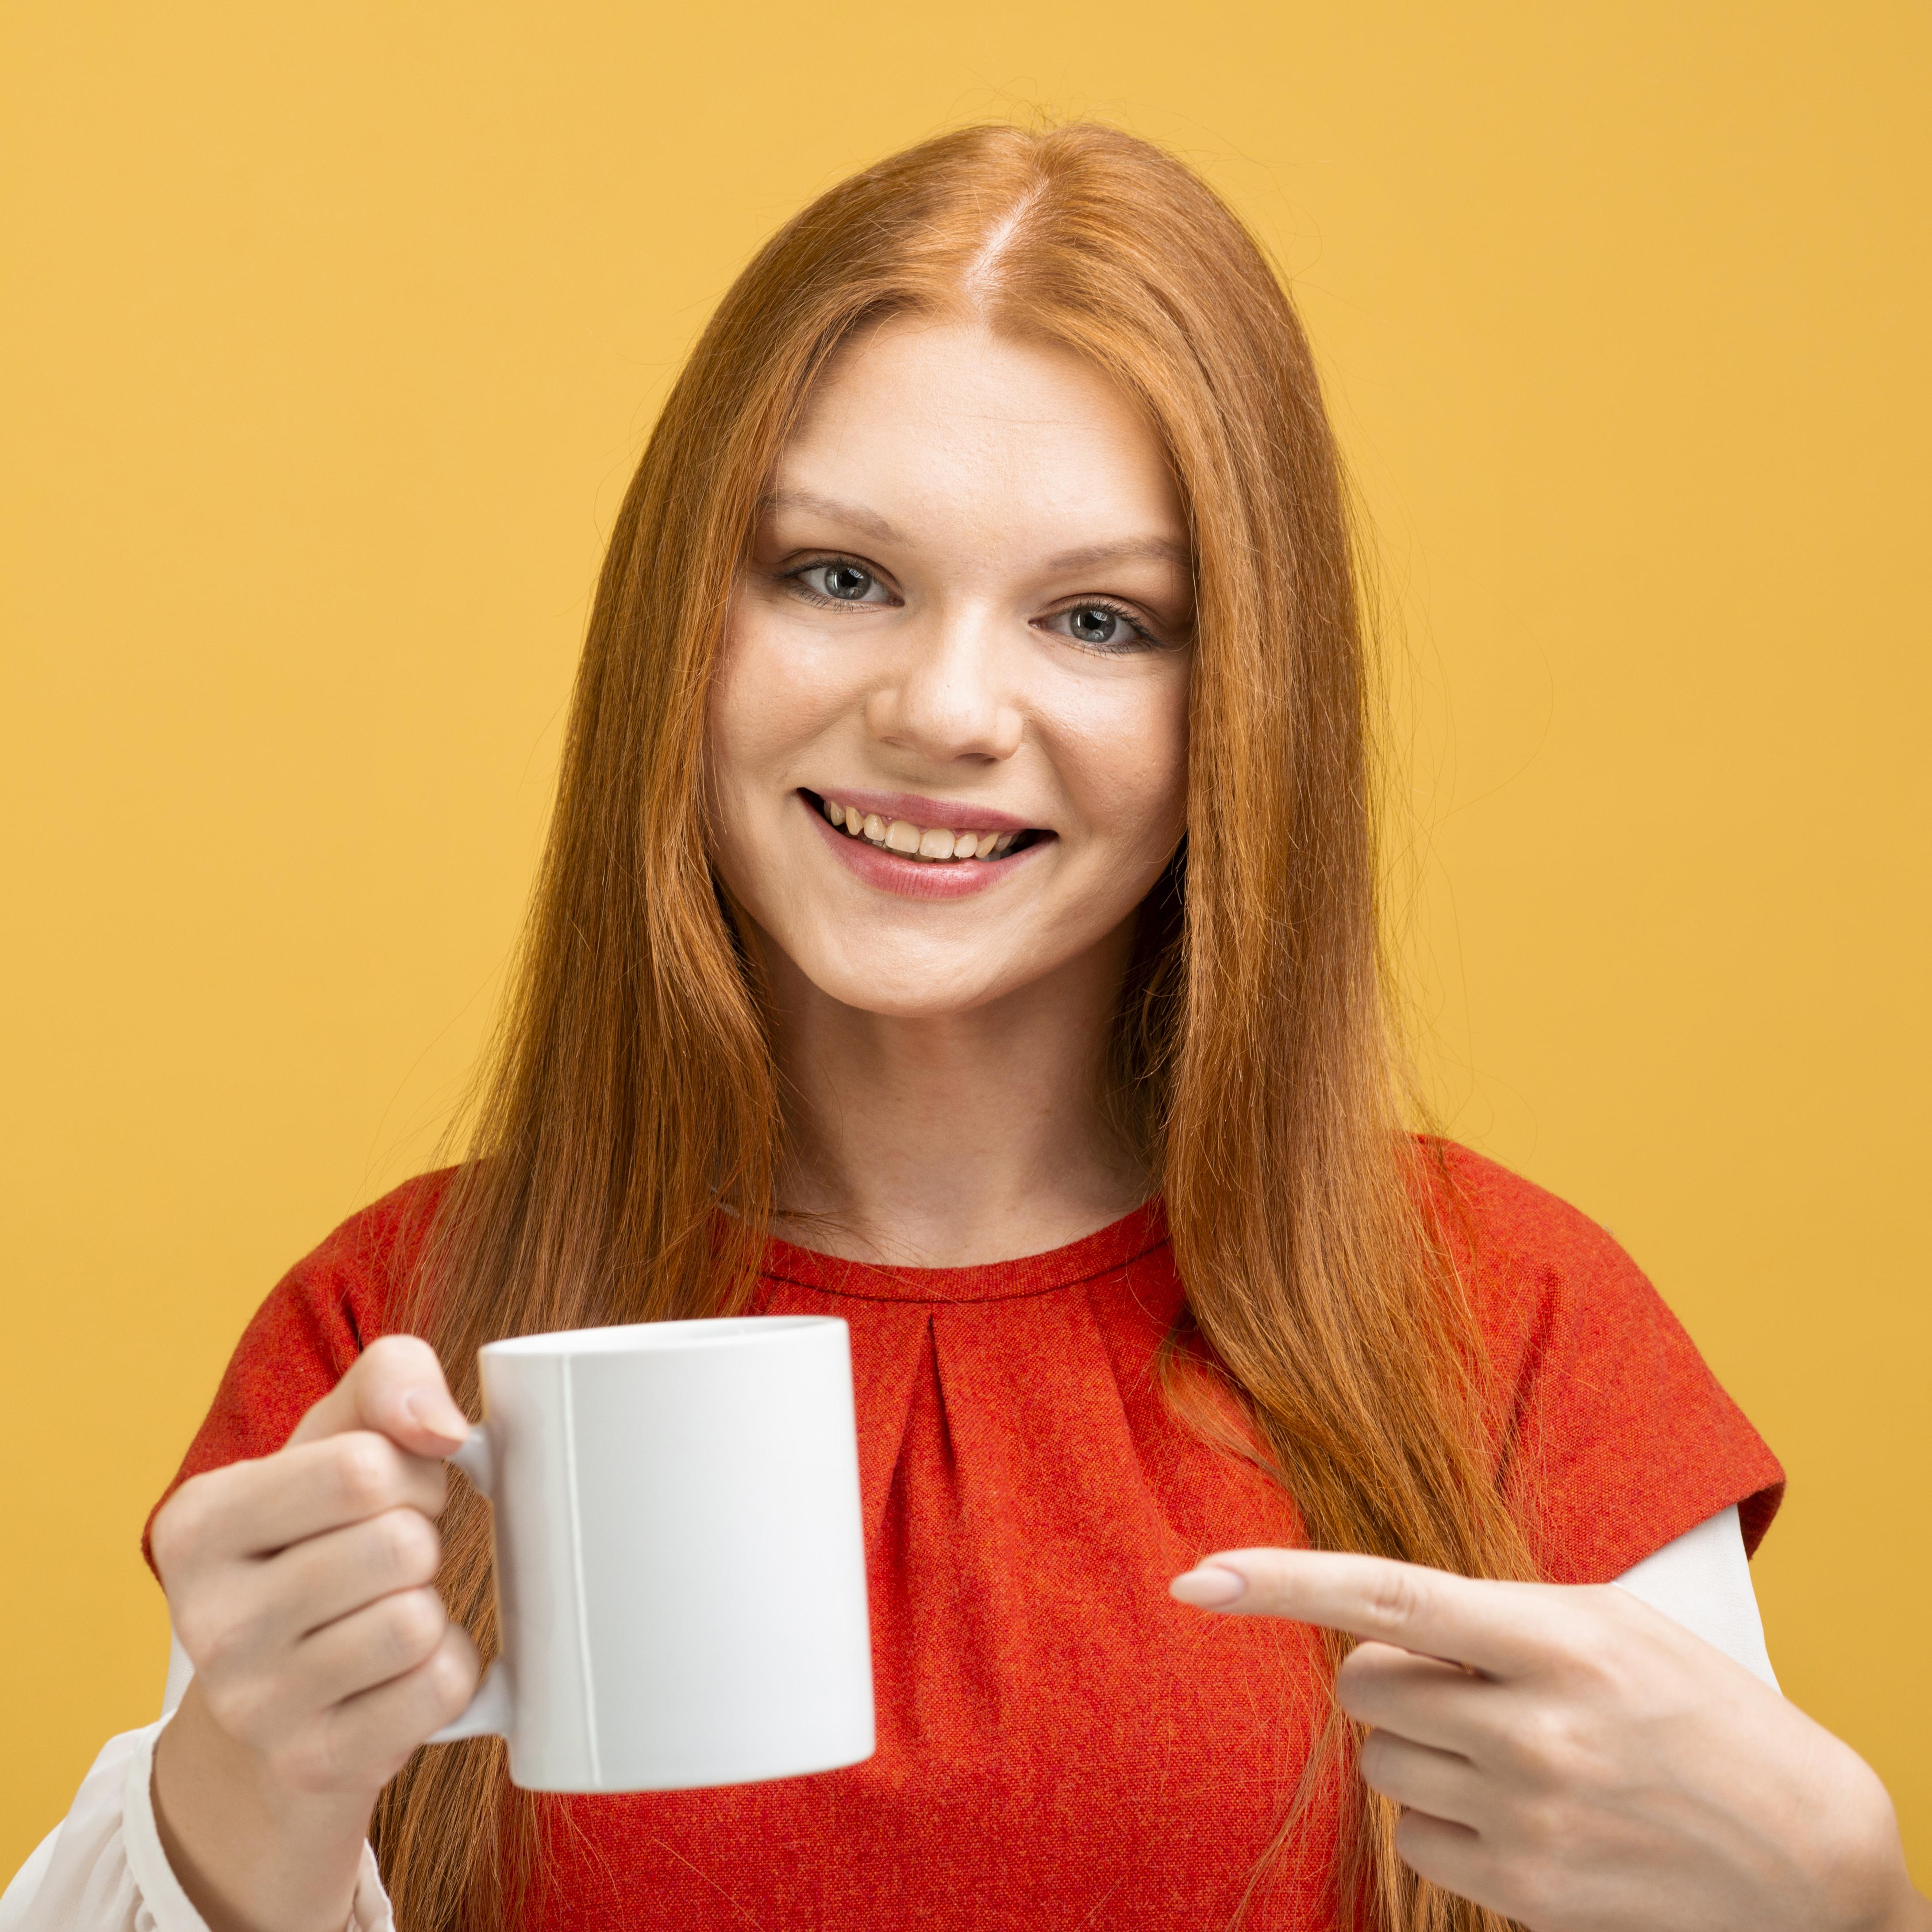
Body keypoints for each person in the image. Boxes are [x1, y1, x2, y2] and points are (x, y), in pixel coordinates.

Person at [3, 122, 1924, 1932]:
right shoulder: (402, 1344)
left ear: (1235, 706)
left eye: (1100, 620)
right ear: (687, 622)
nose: (943, 708)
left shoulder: (1508, 1326)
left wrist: (1849, 1897)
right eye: (840, 576)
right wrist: (228, 1818)